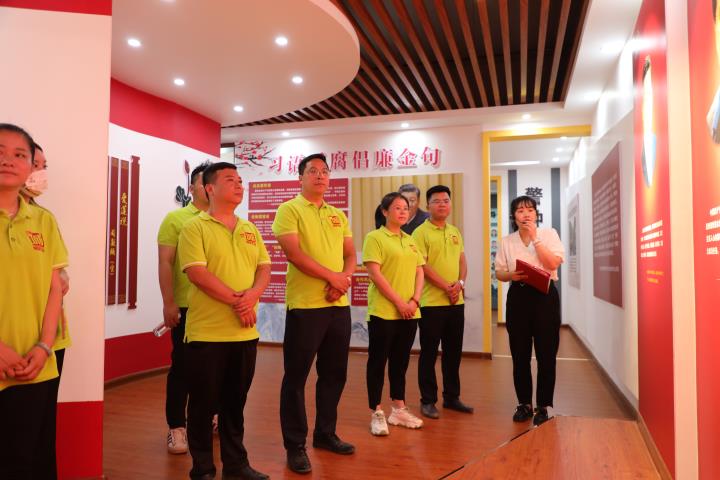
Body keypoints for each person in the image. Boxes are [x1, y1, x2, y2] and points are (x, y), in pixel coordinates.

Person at [178, 162, 271, 480]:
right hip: (207, 334)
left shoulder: (249, 229)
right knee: (202, 405)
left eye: (240, 180)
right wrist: (239, 302)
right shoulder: (195, 227)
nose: (239, 185)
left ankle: (236, 464)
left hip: (244, 334)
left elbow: (264, 268)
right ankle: (202, 468)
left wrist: (251, 298)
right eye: (230, 180)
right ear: (210, 188)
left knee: (235, 403)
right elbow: (197, 273)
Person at [272, 153, 356, 474]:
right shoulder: (289, 209)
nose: (320, 176)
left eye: (324, 171)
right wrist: (333, 278)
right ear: (300, 177)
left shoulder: (337, 215)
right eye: (312, 171)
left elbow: (350, 255)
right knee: (296, 377)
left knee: (334, 374)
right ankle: (295, 446)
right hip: (306, 306)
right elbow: (294, 254)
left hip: (337, 305)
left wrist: (342, 279)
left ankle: (325, 434)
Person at [0, 124, 67, 478]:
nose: (8, 161)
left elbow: (55, 288)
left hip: (33, 363)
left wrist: (44, 346)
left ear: (31, 166)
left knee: (24, 458)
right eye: (0, 152)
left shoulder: (43, 221)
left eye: (19, 155)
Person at [20, 142, 72, 473]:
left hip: (50, 340)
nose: (40, 172)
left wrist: (45, 343)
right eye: (34, 164)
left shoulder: (43, 219)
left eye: (43, 165)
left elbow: (59, 276)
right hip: (13, 343)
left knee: (42, 425)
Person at [494, 195, 564, 426]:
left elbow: (552, 264)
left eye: (530, 210)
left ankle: (543, 406)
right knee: (520, 355)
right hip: (519, 297)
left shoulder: (549, 234)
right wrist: (511, 275)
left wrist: (535, 239)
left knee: (546, 355)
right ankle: (524, 404)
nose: (526, 214)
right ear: (513, 216)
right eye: (520, 210)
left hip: (545, 297)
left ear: (536, 213)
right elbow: (499, 272)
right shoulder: (507, 241)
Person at [157, 160, 211, 454]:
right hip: (187, 307)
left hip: (218, 308)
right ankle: (177, 427)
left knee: (214, 369)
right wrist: (169, 303)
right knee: (183, 368)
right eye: (204, 182)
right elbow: (166, 262)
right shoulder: (176, 219)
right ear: (192, 188)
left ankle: (209, 417)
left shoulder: (225, 220)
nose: (210, 187)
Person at [363, 192, 425, 436]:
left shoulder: (410, 240)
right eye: (397, 207)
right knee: (378, 362)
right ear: (385, 211)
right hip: (384, 311)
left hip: (409, 311)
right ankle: (377, 412)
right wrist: (399, 302)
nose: (403, 212)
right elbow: (375, 274)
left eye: (406, 208)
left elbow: (420, 271)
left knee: (400, 362)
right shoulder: (375, 237)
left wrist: (414, 300)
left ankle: (398, 409)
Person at [412, 185, 473, 419]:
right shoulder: (420, 233)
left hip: (455, 303)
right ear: (427, 205)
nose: (442, 204)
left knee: (453, 352)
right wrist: (447, 287)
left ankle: (452, 397)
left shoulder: (455, 231)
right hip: (431, 303)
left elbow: (462, 261)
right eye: (436, 201)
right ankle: (428, 400)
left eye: (445, 200)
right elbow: (423, 266)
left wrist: (460, 284)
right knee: (429, 353)